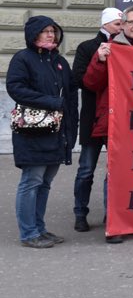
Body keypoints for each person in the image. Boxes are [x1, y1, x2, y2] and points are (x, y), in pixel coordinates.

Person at [82, 5, 133, 243]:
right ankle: (115, 223)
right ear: (122, 25)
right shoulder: (110, 49)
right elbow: (91, 83)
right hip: (118, 122)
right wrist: (100, 61)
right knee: (116, 173)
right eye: (132, 22)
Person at [7, 16, 78, 248]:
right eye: (45, 31)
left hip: (57, 133)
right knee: (32, 181)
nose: (50, 34)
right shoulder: (23, 58)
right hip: (32, 132)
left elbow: (70, 96)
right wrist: (51, 102)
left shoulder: (59, 61)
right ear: (33, 34)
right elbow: (16, 88)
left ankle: (39, 229)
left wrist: (72, 130)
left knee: (45, 183)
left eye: (53, 31)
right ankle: (29, 233)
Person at [70, 7, 122, 232]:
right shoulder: (87, 47)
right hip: (93, 117)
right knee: (86, 170)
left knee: (114, 171)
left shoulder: (125, 47)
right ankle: (80, 213)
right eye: (118, 24)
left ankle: (111, 214)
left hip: (116, 118)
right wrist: (99, 60)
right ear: (106, 24)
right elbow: (79, 80)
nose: (121, 27)